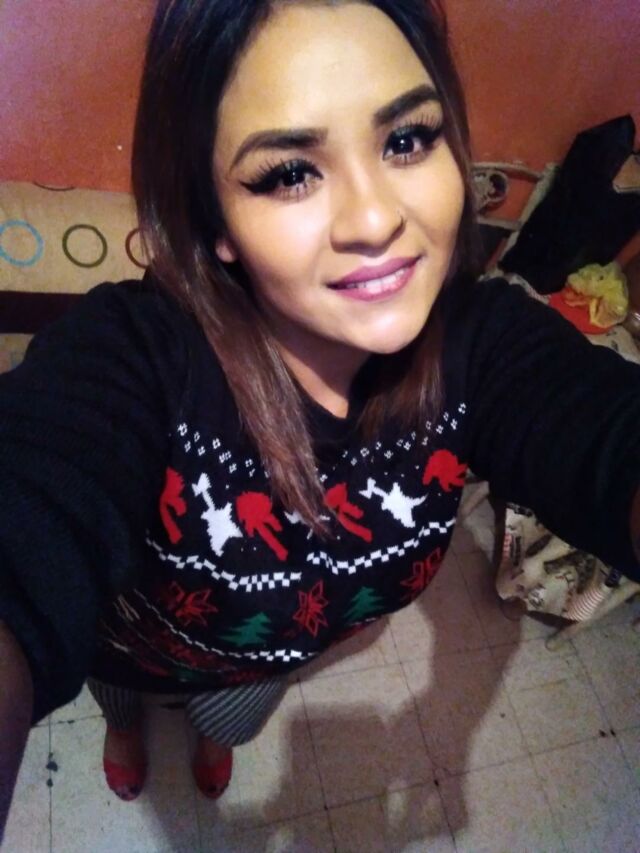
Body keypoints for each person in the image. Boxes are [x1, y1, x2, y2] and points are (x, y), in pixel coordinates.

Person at [1, 0, 640, 833]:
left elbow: (604, 435)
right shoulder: (135, 357)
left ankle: (213, 733)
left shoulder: (483, 346)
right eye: (289, 173)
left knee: (231, 716)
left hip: (263, 665)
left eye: (406, 139)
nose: (376, 218)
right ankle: (124, 727)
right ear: (215, 222)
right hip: (129, 646)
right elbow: (31, 504)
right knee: (121, 694)